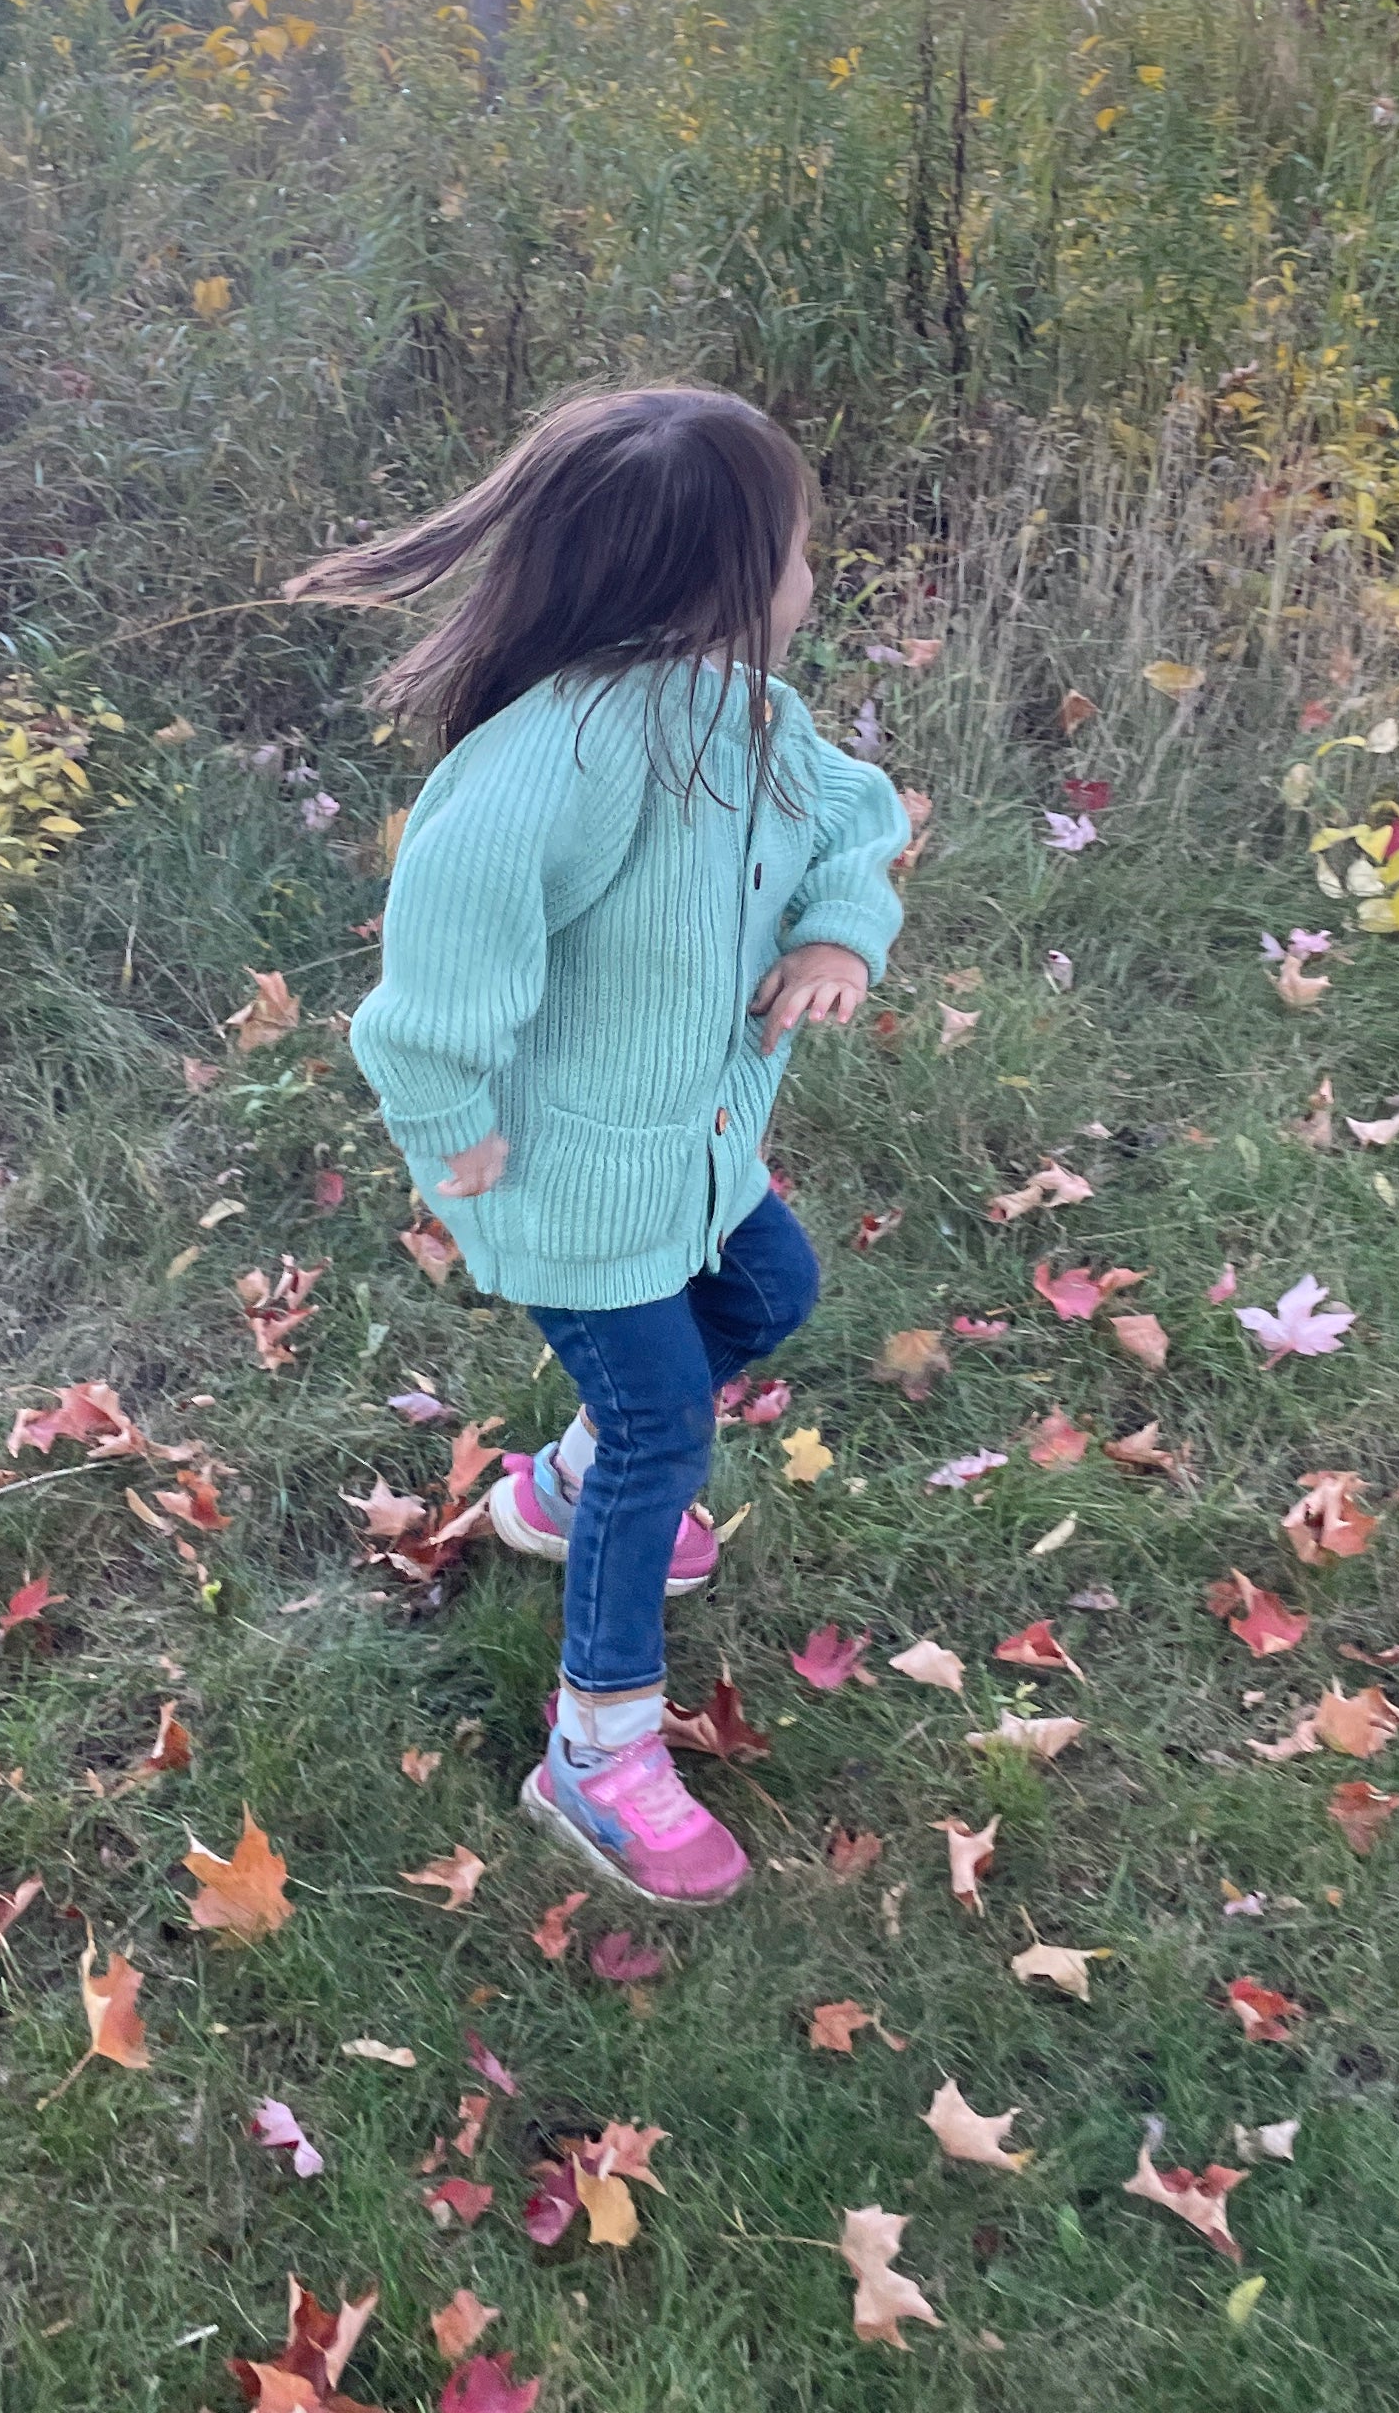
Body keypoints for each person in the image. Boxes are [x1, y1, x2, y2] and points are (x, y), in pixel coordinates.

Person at [291, 384, 909, 1907]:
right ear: (711, 573)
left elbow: (858, 817)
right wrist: (453, 1133)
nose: (811, 581)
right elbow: (428, 989)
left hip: (692, 1159)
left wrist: (841, 930)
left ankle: (560, 1492)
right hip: (568, 1185)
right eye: (797, 552)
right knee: (665, 1430)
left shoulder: (755, 719)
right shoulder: (545, 768)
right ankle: (599, 1740)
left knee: (772, 1297)